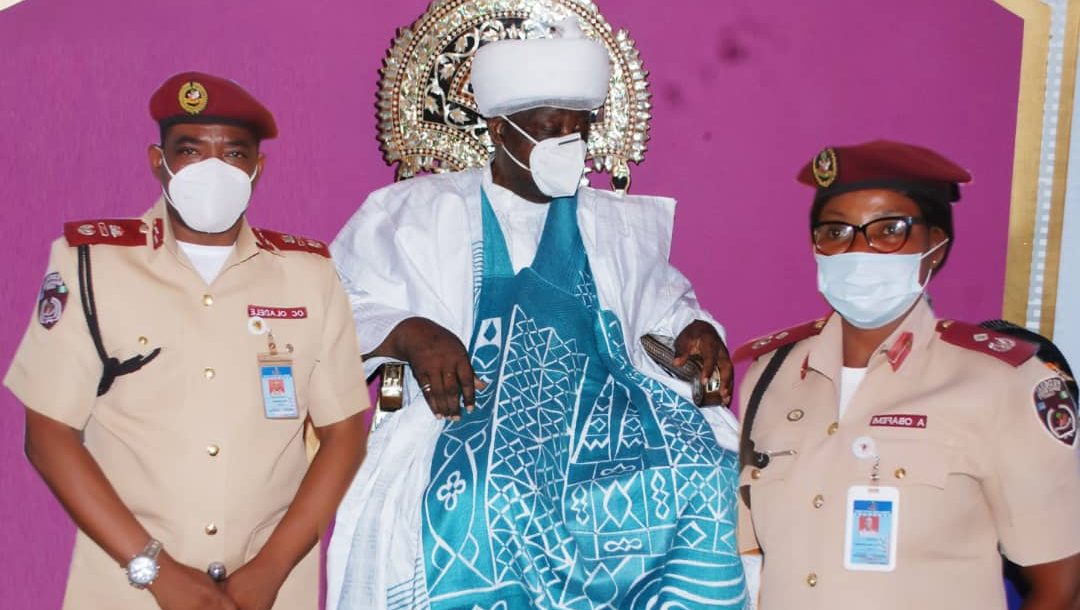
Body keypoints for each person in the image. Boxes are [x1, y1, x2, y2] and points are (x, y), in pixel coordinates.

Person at [328, 18, 750, 610]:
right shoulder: (416, 212)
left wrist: (695, 329)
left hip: (612, 413)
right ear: (500, 129)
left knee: (708, 475)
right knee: (482, 498)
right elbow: (337, 304)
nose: (570, 144)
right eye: (553, 129)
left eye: (581, 128)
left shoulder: (614, 222)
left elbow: (663, 303)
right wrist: (411, 334)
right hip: (474, 415)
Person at [4, 71, 370, 610]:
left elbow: (344, 436)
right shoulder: (91, 265)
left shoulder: (308, 276)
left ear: (258, 168)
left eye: (234, 154)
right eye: (191, 151)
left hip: (266, 591)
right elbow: (48, 435)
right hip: (127, 588)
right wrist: (154, 570)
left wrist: (269, 570)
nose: (213, 169)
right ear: (160, 162)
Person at [733, 140, 1080, 609]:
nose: (858, 249)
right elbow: (752, 561)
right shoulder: (770, 377)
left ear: (936, 246)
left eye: (889, 230)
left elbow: (1061, 589)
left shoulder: (1003, 384)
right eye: (835, 232)